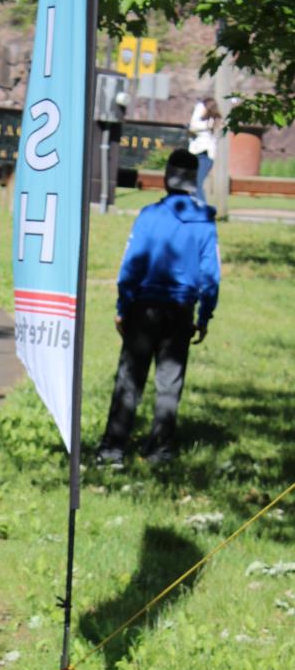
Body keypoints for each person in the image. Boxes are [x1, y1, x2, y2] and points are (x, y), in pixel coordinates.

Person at [95, 148, 219, 468]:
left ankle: (112, 449)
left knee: (130, 379)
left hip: (144, 308)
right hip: (181, 310)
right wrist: (204, 316)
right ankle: (159, 451)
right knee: (170, 382)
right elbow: (211, 275)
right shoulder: (205, 222)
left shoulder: (148, 216)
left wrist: (123, 306)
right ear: (194, 181)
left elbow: (130, 266)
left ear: (166, 178)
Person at [187, 94, 221, 205]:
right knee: (192, 183)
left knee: (196, 183)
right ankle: (195, 207)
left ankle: (202, 208)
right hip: (196, 153)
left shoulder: (210, 122)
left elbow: (193, 126)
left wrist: (199, 108)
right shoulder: (205, 122)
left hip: (204, 155)